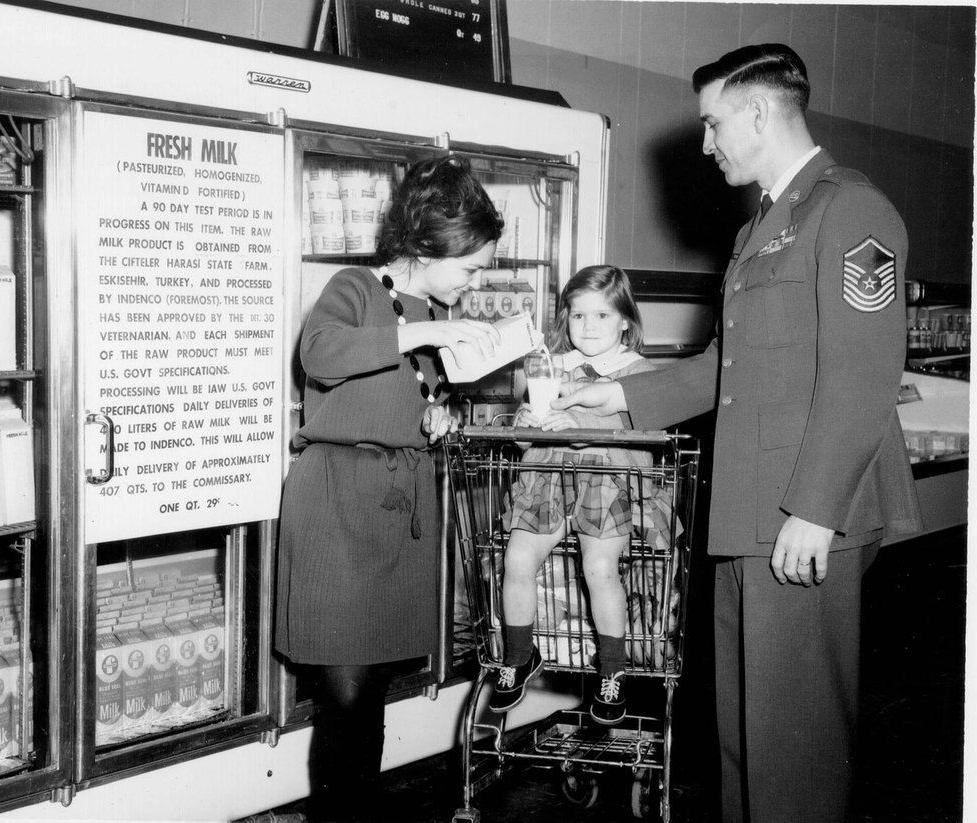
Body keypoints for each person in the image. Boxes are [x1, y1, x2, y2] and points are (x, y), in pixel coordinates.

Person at [553, 44, 921, 823]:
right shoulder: (764, 225)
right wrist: (617, 394)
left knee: (798, 743)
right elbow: (725, 364)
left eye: (714, 123)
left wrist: (816, 509)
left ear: (759, 111)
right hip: (751, 516)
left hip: (802, 515)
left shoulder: (849, 208)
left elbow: (862, 374)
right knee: (744, 738)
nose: (707, 142)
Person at [275, 155, 504, 822]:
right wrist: (428, 329)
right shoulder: (355, 287)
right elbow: (320, 352)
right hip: (337, 508)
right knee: (344, 693)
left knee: (369, 690)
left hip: (398, 510)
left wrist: (437, 415)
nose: (476, 279)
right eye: (470, 265)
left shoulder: (431, 308)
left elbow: (405, 395)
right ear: (427, 245)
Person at [490, 265, 678, 727]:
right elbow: (525, 436)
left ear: (626, 323)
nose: (588, 327)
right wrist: (526, 427)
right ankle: (518, 655)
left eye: (601, 316)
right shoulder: (553, 369)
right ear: (565, 321)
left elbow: (640, 431)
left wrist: (582, 429)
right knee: (517, 559)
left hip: (608, 484)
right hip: (549, 479)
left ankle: (612, 672)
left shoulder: (638, 374)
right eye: (578, 317)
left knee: (598, 567)